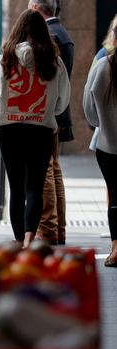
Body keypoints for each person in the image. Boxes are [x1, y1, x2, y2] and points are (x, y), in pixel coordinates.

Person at [0, 9, 70, 248]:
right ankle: (31, 237)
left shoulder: (4, 59)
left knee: (16, 187)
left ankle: (19, 238)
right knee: (35, 187)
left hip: (10, 130)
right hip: (41, 130)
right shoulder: (54, 61)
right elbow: (62, 103)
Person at [29, 0, 75, 245]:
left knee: (45, 170)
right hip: (57, 113)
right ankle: (58, 229)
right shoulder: (62, 32)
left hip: (47, 114)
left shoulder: (51, 36)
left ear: (36, 7)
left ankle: (47, 230)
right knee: (54, 171)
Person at [84, 25, 117, 267]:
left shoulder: (104, 65)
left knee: (115, 196)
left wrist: (100, 124)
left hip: (108, 144)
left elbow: (88, 103)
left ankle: (116, 248)